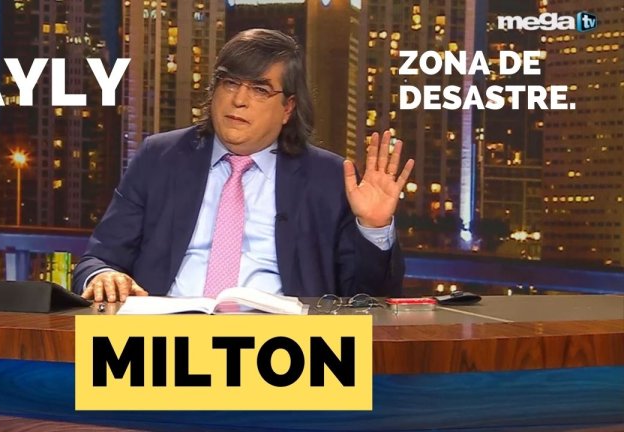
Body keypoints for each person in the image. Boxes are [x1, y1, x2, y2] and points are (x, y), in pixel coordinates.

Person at [73, 28, 414, 303]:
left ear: (288, 108)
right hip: (165, 339)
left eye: (260, 90)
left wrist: (374, 228)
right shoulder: (160, 158)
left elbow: (368, 299)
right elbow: (98, 259)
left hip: (283, 346)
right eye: (230, 83)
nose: (239, 100)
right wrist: (103, 275)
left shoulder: (328, 178)